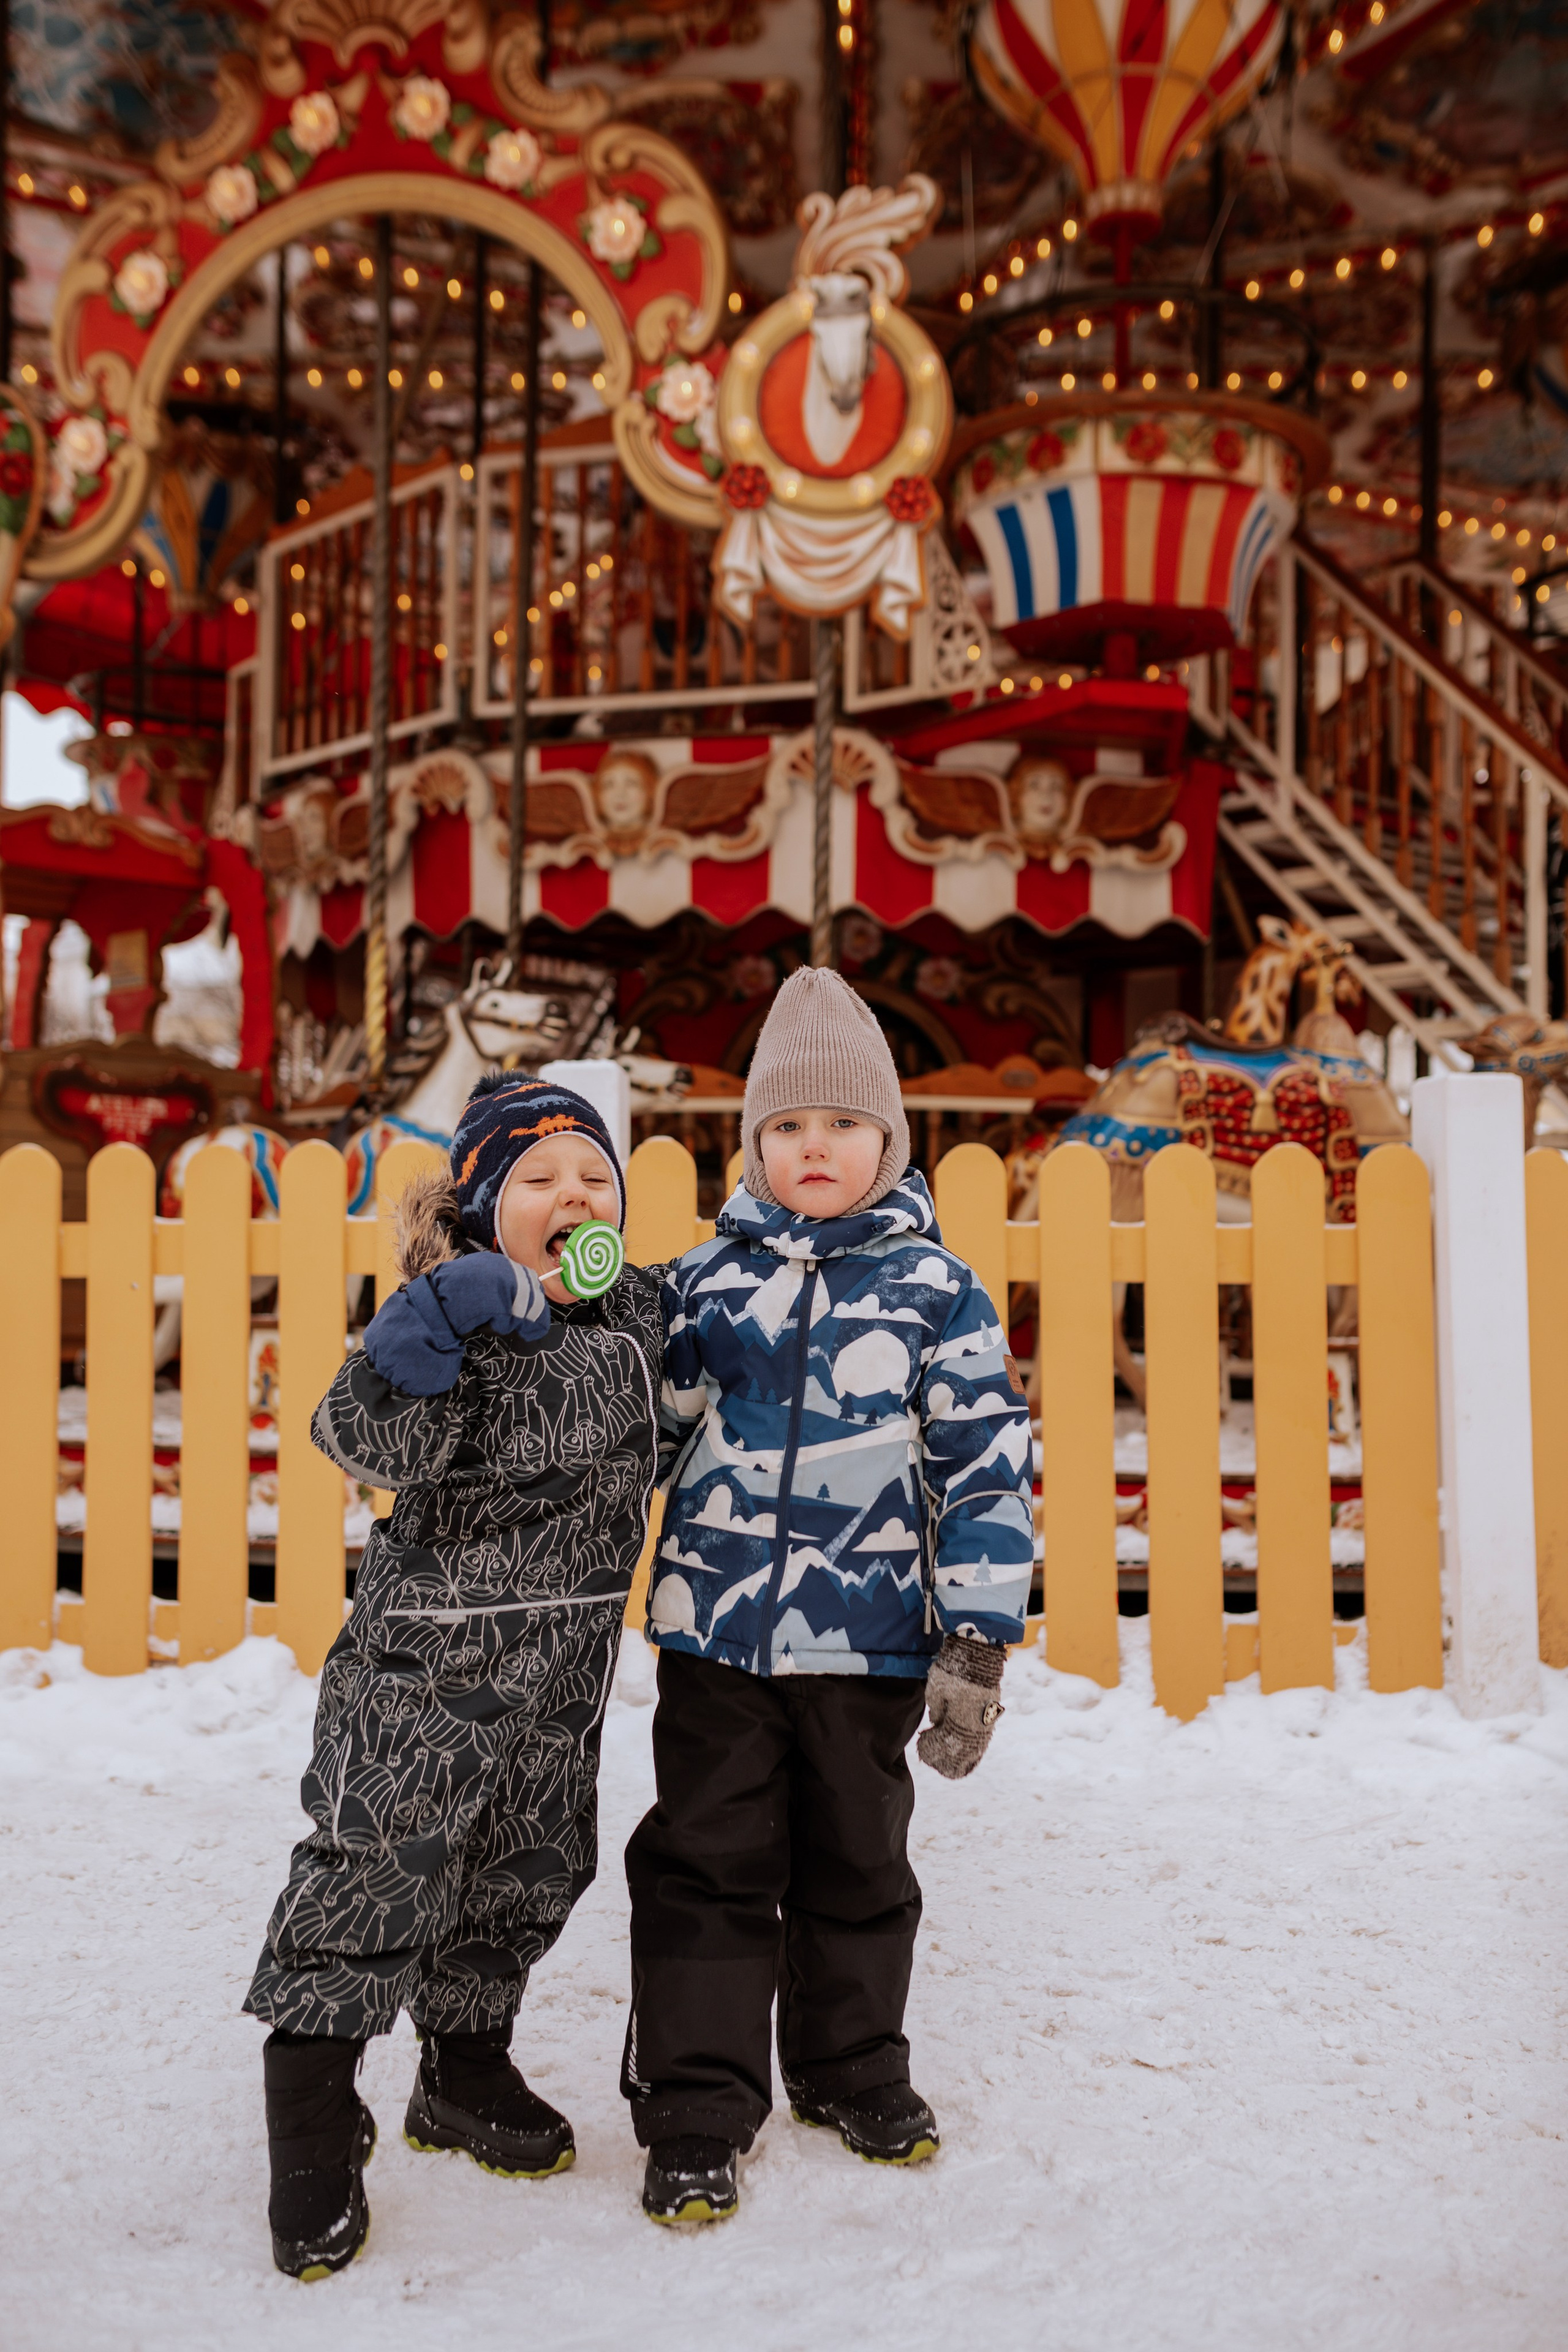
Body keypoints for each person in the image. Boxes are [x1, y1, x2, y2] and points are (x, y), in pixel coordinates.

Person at [622, 967, 1034, 2225]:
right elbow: (647, 1431)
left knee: (858, 1863)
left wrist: (974, 1638)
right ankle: (696, 2102)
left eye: (841, 1127)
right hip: (714, 1641)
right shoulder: (701, 1285)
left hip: (867, 1650)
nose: (814, 1149)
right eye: (787, 1128)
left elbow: (984, 1465)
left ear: (887, 1141)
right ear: (749, 1143)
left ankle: (851, 2067)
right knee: (705, 1863)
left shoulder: (935, 1294)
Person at [244, 1075, 663, 2280]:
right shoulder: (445, 1311)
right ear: (481, 1208)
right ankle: (313, 2121)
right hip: (428, 1670)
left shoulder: (635, 1311)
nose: (572, 1195)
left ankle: (463, 2073)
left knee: (530, 1869)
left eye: (594, 1178)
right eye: (538, 1180)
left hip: (563, 1672)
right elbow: (361, 1439)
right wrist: (419, 1334)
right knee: (377, 1869)